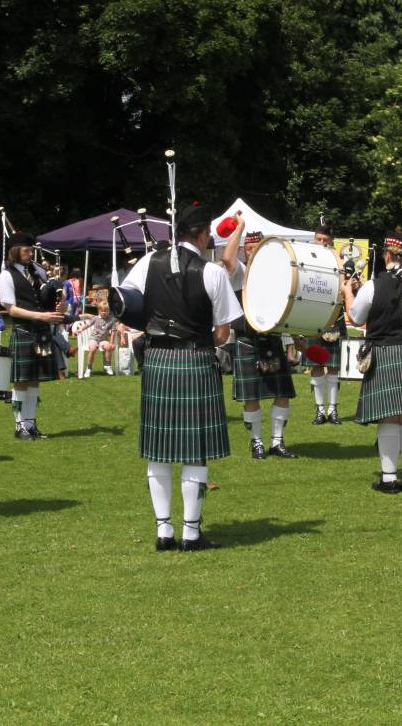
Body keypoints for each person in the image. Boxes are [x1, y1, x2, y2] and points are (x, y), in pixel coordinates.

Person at [121, 202, 241, 551]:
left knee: (158, 449)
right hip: (196, 359)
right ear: (203, 234)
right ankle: (190, 533)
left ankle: (163, 531)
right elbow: (222, 333)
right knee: (195, 451)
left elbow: (126, 303)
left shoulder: (147, 262)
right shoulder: (213, 273)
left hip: (158, 360)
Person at [342, 229, 402, 493]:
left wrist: (348, 293)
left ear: (386, 255)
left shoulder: (372, 286)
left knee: (389, 418)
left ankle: (388, 479)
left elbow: (356, 317)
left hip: (385, 353)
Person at [221, 224, 297, 459]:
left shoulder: (275, 275)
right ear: (244, 251)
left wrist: (294, 340)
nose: (253, 252)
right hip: (247, 341)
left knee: (282, 394)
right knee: (251, 397)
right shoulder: (240, 273)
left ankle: (277, 442)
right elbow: (226, 258)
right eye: (249, 248)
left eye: (257, 248)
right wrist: (239, 229)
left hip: (271, 340)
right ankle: (256, 443)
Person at [0, 233, 64, 439]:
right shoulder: (6, 276)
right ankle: (20, 426)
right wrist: (41, 315)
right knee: (22, 381)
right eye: (26, 250)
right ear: (15, 251)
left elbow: (48, 297)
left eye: (31, 249)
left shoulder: (39, 272)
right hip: (24, 331)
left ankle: (31, 423)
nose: (30, 253)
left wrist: (60, 304)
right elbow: (11, 309)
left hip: (41, 333)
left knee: (35, 380)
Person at [303, 222, 345, 426]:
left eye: (325, 240)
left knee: (333, 367)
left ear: (331, 242)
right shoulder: (306, 260)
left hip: (335, 317)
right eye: (318, 239)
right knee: (316, 366)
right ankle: (320, 411)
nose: (321, 243)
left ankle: (333, 410)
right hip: (313, 317)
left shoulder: (340, 261)